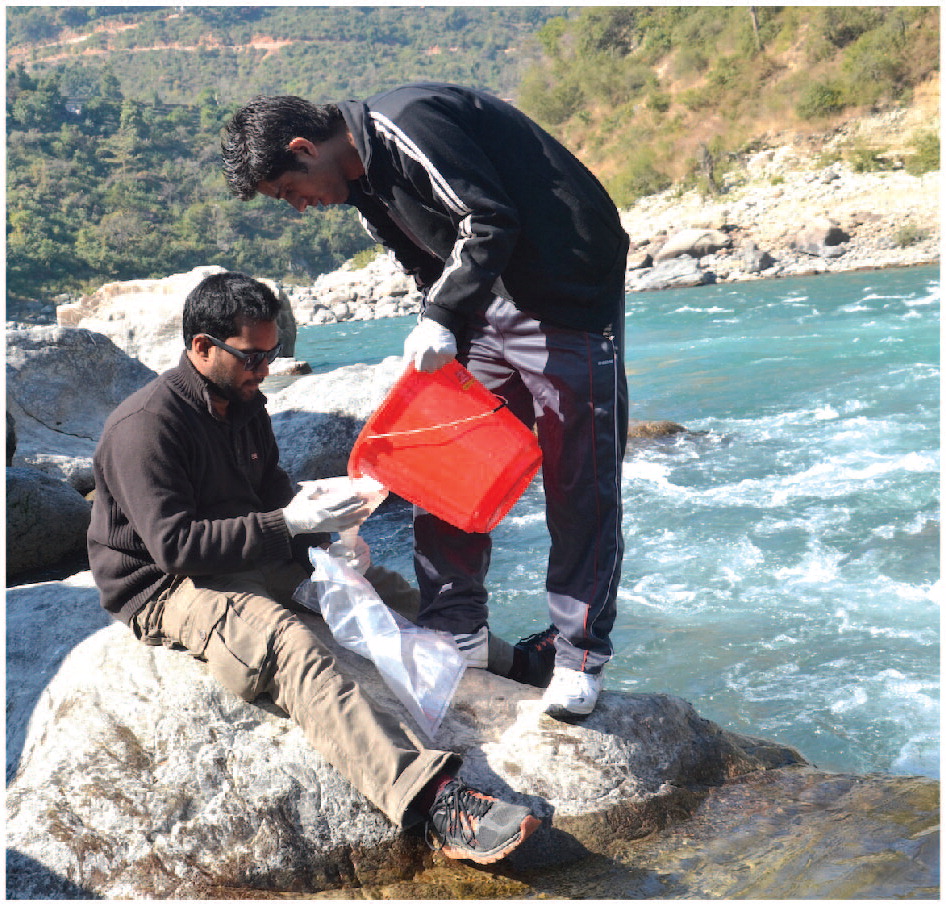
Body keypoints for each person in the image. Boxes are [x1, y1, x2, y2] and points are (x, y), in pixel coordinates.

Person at [87, 271, 540, 864]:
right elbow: (176, 547)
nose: (266, 367)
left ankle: (521, 665)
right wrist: (289, 527)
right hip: (168, 583)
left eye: (273, 353)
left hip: (245, 549)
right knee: (291, 644)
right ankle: (431, 800)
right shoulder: (146, 427)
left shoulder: (244, 401)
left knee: (384, 591)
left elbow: (271, 486)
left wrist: (326, 532)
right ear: (201, 347)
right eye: (253, 356)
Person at [221, 83, 629, 719]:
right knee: (447, 463)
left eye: (289, 192)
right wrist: (438, 321)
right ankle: (455, 627)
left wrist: (441, 313)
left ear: (305, 148)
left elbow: (490, 219)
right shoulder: (363, 186)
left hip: (567, 296)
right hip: (490, 302)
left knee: (580, 480)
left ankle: (579, 655)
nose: (300, 208)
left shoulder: (404, 125)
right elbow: (424, 258)